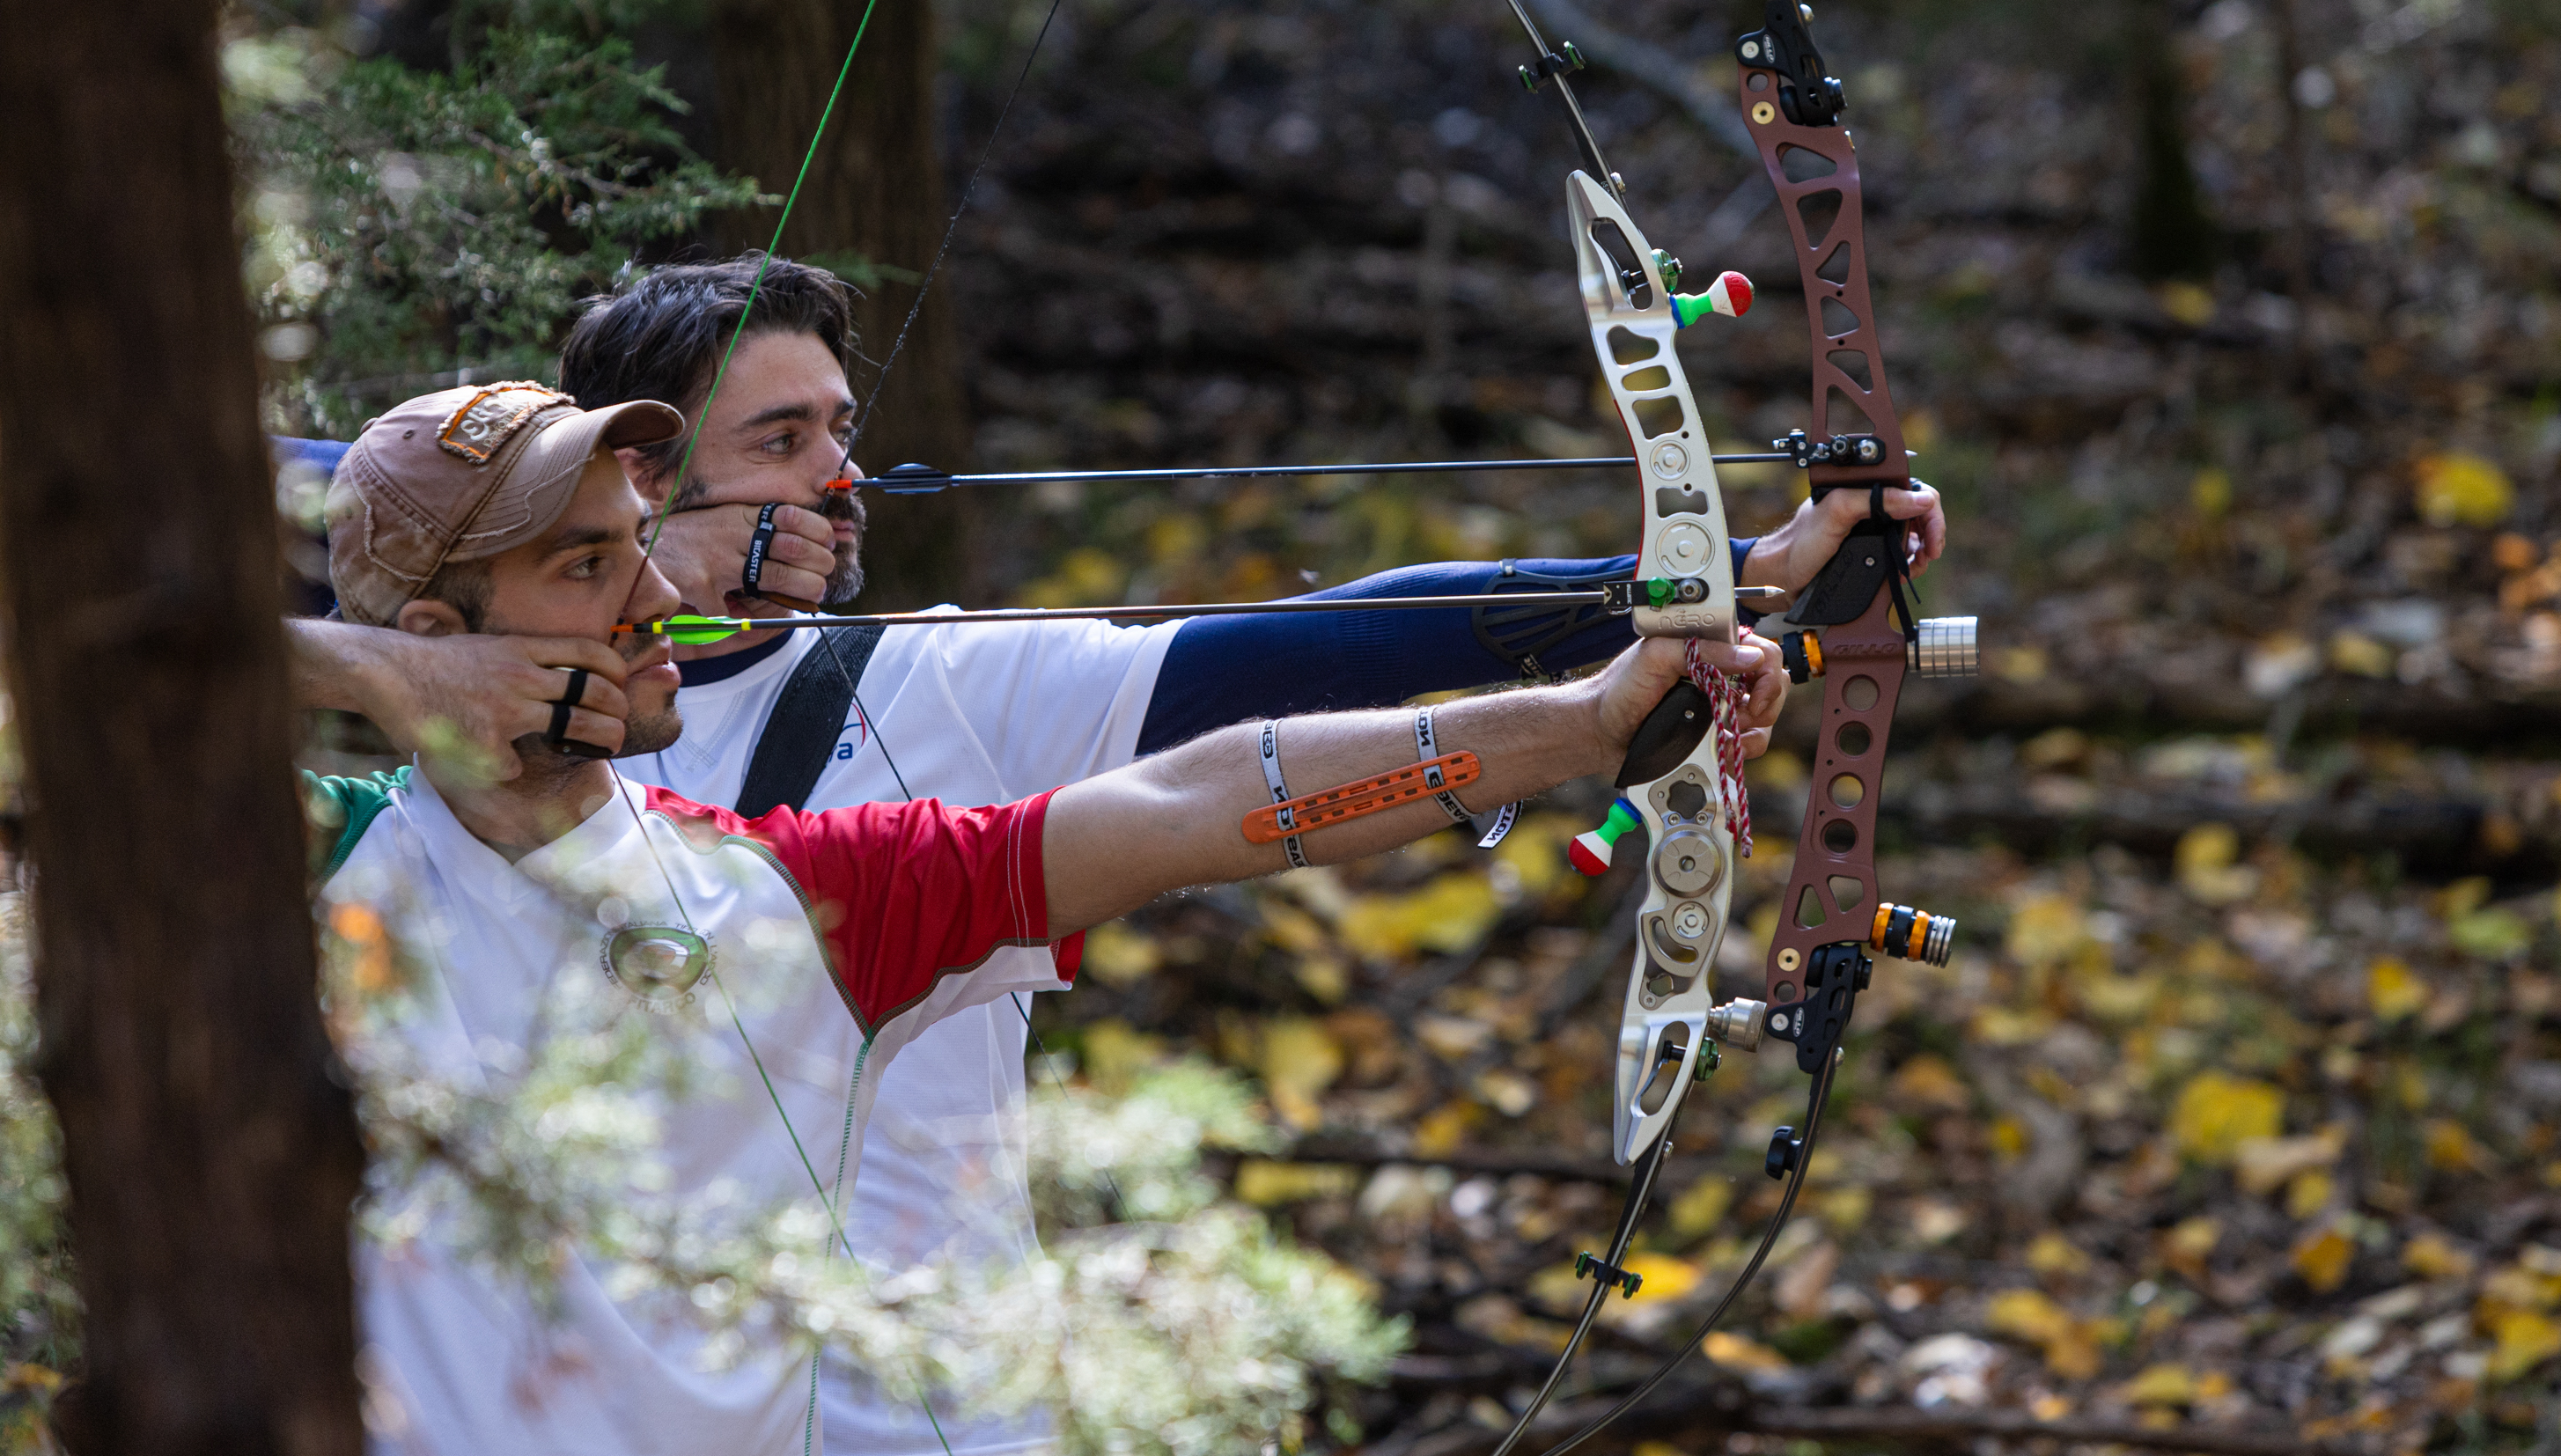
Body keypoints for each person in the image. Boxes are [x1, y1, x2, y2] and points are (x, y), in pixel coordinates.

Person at [283, 255, 1947, 1452]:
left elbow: (1242, 734)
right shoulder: (326, 857)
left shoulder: (856, 787)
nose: (839, 481)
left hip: (932, 1404)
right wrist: (391, 676)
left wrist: (1653, 640)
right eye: (779, 447)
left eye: (841, 432)